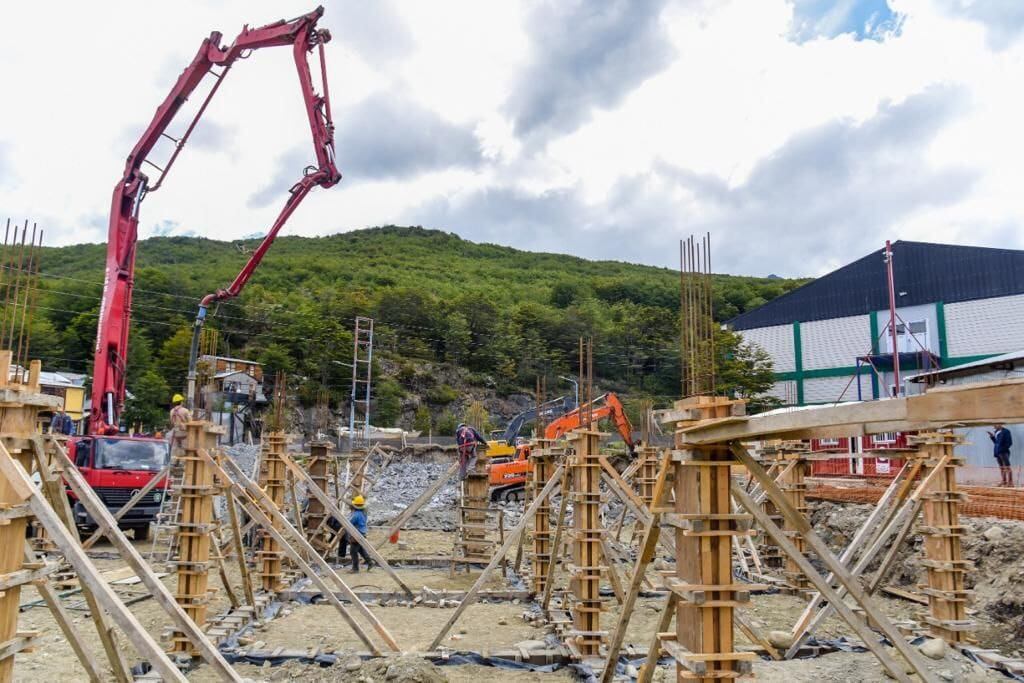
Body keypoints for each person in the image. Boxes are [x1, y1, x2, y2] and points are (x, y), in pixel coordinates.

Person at [347, 495, 372, 573]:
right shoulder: (363, 513)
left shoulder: (356, 515)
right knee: (361, 550)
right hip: (362, 533)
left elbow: (349, 523)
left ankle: (355, 568)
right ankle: (370, 562)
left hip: (357, 534)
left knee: (353, 552)